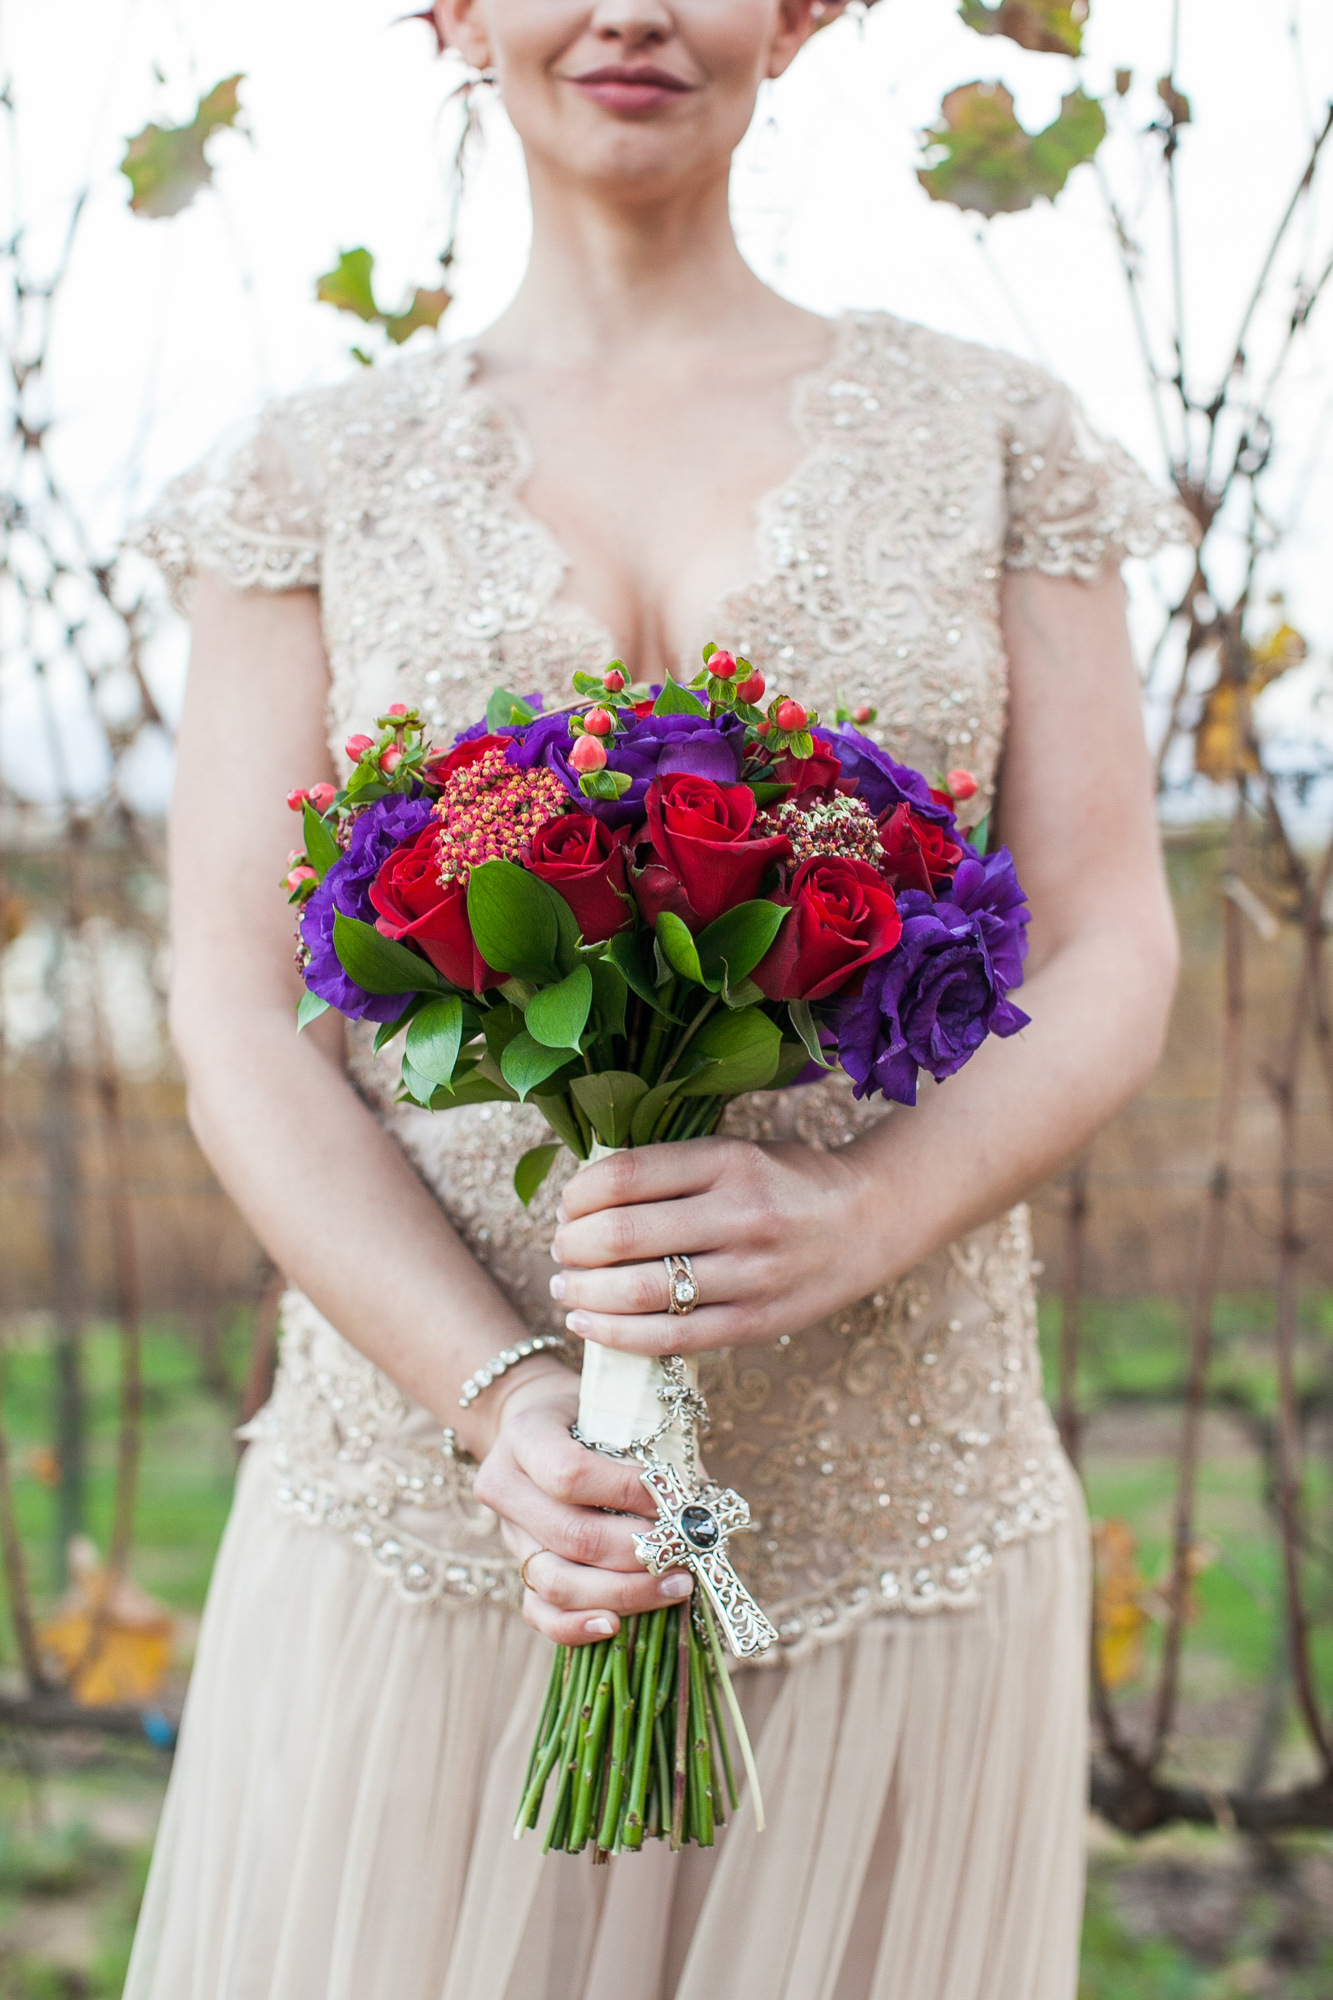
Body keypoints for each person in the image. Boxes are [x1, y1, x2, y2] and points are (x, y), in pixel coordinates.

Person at [127, 0, 1189, 1993]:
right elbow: (237, 1007)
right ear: (453, 12)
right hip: (430, 1519)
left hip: (888, 1510)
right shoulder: (313, 473)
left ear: (798, 13)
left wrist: (862, 1210)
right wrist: (499, 1401)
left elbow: (1112, 944)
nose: (629, 10)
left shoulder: (994, 437)